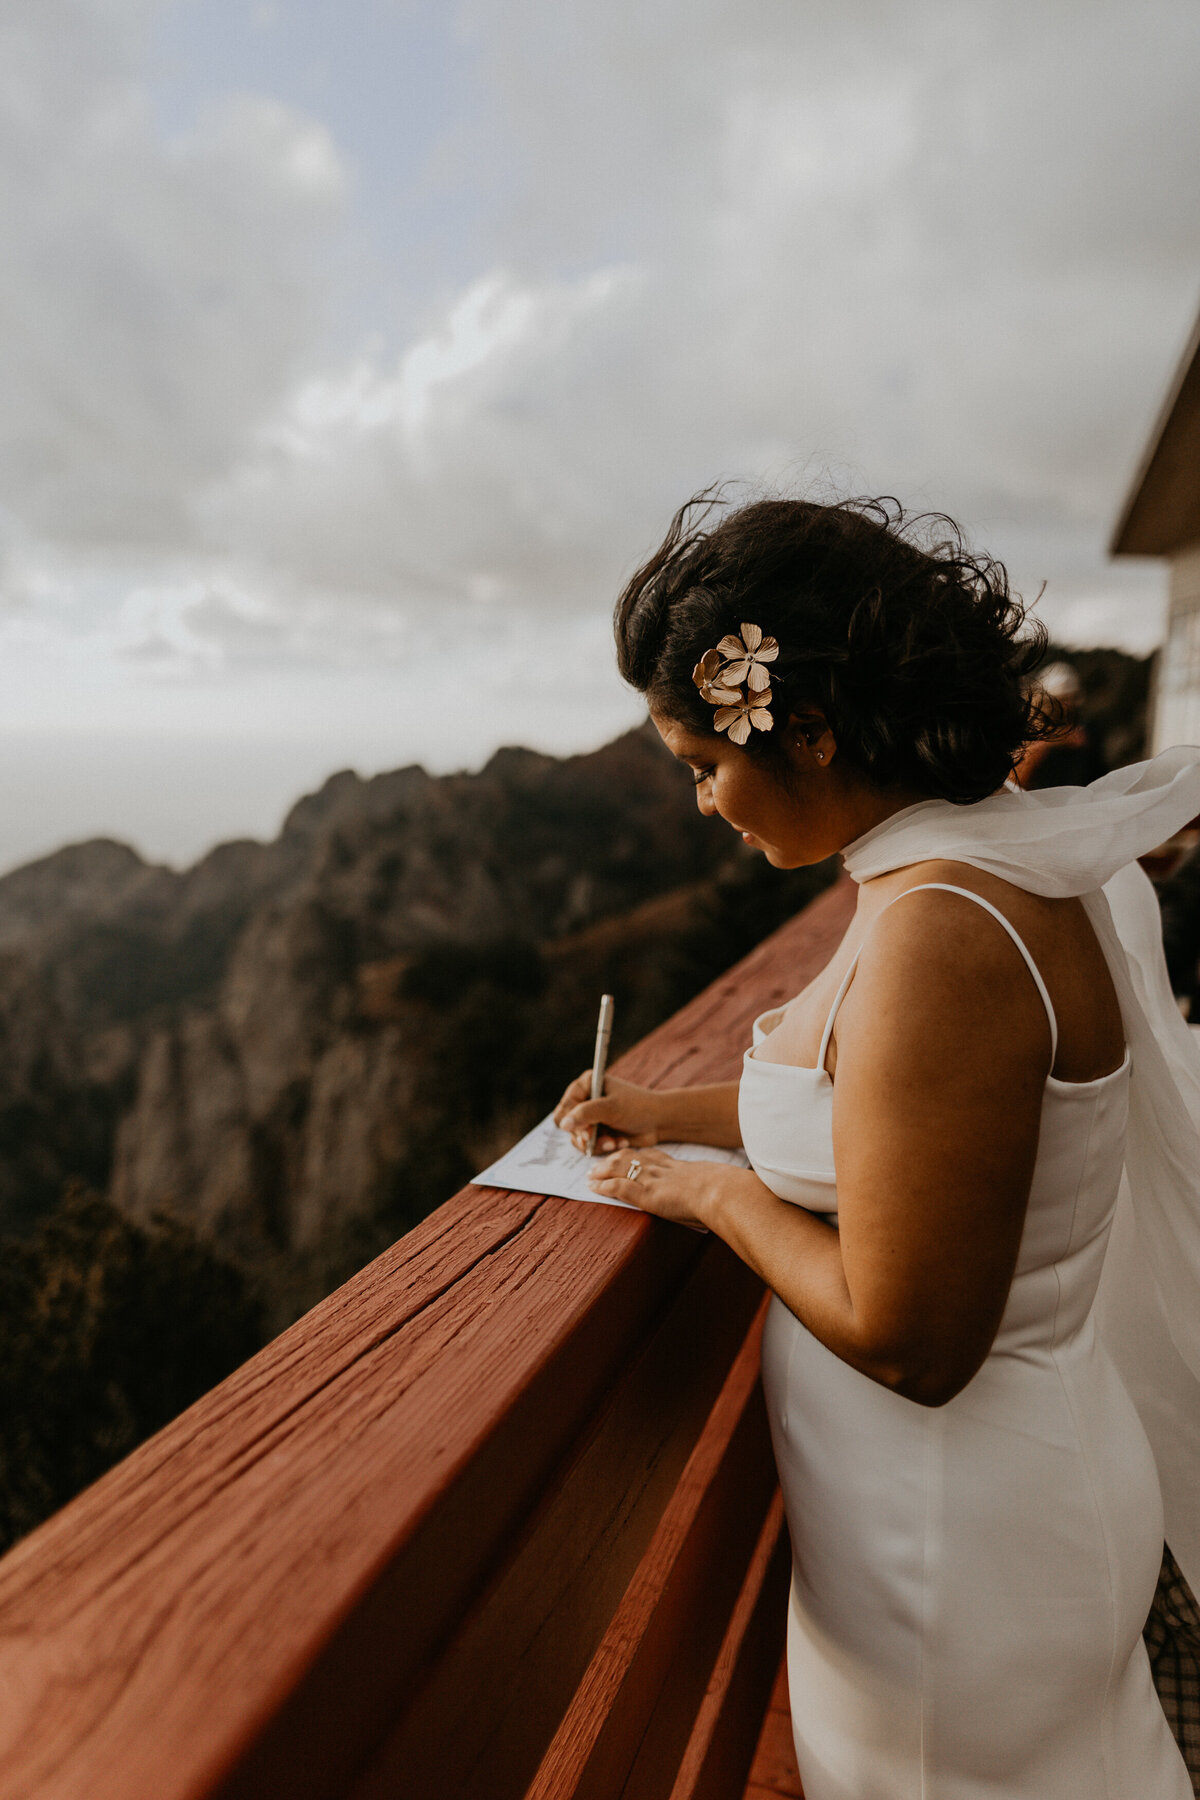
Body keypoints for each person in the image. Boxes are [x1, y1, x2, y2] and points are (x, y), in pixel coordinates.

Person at [553, 494, 1200, 1800]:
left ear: (808, 727)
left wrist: (708, 1198)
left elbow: (912, 1332)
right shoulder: (945, 867)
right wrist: (660, 1112)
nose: (700, 804)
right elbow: (895, 1124)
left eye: (704, 763)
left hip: (963, 1545)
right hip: (946, 1524)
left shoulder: (941, 935)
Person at [1013, 659, 1106, 790]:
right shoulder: (1029, 732)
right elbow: (1016, 779)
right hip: (1039, 801)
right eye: (1061, 700)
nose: (1066, 706)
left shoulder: (1087, 730)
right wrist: (1057, 740)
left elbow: (1097, 775)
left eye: (1071, 699)